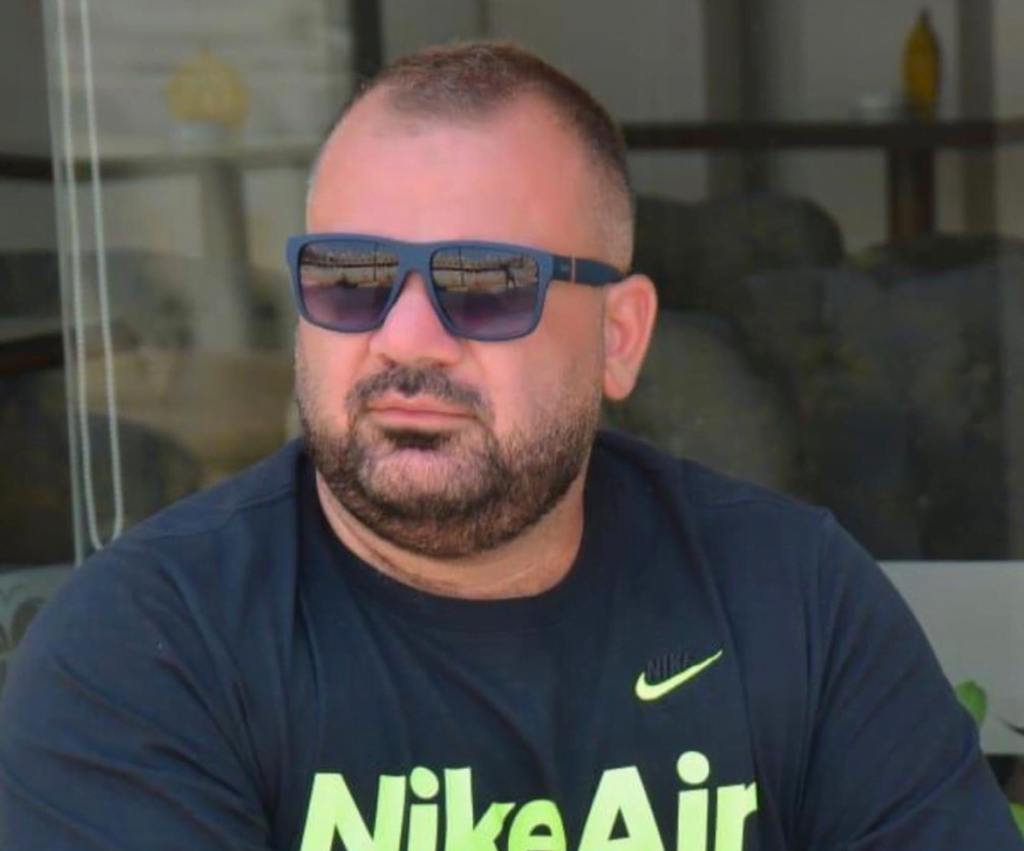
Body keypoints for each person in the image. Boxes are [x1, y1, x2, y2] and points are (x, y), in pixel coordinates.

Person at [0, 41, 1020, 851]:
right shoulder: (149, 645)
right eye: (350, 277)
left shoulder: (792, 598)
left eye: (484, 284)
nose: (404, 339)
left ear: (619, 337)